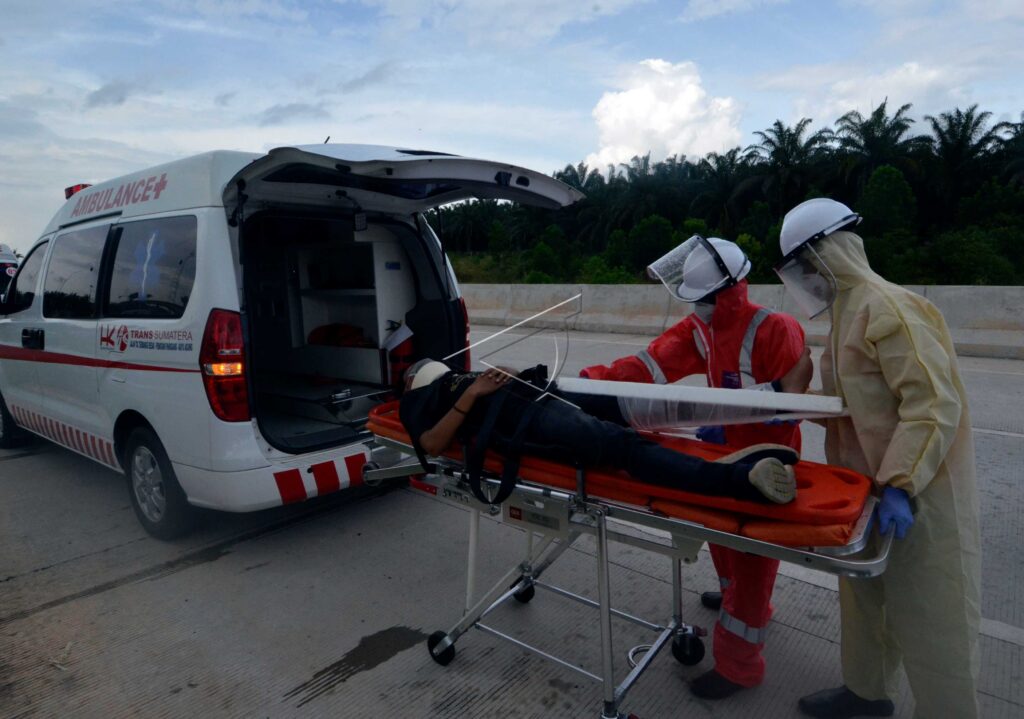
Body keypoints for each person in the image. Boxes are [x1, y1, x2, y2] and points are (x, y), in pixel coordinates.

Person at [775, 198, 981, 719]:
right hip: (862, 491)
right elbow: (853, 410)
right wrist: (787, 404)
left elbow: (932, 407)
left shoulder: (889, 308)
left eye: (806, 265)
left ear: (829, 253)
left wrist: (900, 485)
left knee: (934, 617)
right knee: (864, 599)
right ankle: (865, 694)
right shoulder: (846, 315)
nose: (806, 279)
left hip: (917, 496)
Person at [580, 235, 811, 699]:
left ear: (730, 290)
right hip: (719, 453)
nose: (700, 307)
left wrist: (734, 421)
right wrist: (591, 385)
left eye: (706, 299)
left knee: (751, 554)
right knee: (722, 538)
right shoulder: (700, 329)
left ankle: (740, 667)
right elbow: (649, 365)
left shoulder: (774, 328)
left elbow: (793, 401)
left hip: (764, 458)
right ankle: (735, 597)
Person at [398, 360, 800, 506]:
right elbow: (431, 445)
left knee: (627, 405)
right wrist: (471, 394)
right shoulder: (417, 401)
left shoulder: (455, 375)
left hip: (540, 394)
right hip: (529, 421)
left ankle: (762, 411)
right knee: (620, 446)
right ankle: (737, 481)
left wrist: (509, 373)